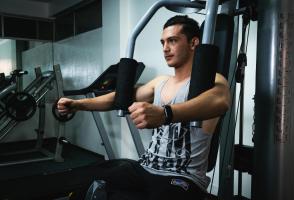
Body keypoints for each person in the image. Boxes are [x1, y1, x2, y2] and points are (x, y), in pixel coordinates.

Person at [58, 15, 230, 200]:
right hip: (145, 167)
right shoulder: (160, 82)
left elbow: (220, 101)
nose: (165, 48)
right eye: (163, 42)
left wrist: (165, 114)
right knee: (84, 183)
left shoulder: (212, 81)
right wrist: (77, 104)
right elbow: (120, 98)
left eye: (172, 41)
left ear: (193, 43)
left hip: (182, 176)